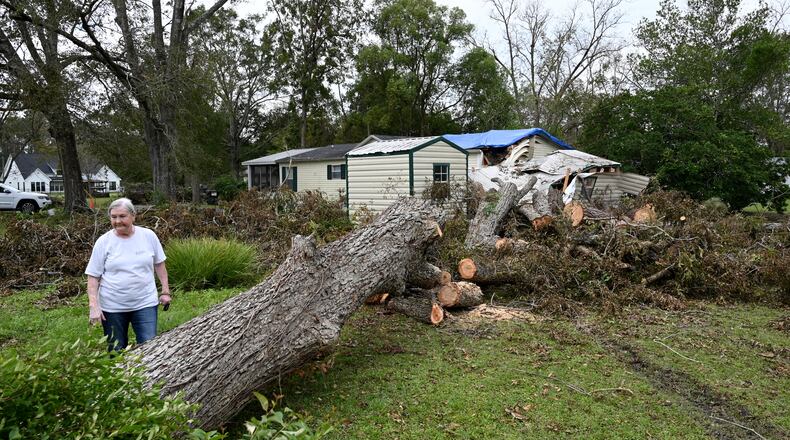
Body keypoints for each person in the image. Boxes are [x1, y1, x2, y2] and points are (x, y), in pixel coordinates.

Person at [85, 197, 171, 351]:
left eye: (122, 216)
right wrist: (94, 305)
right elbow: (93, 277)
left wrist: (165, 291)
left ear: (133, 216)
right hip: (112, 307)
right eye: (113, 217)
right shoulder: (103, 242)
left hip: (145, 303)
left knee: (149, 348)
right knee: (116, 351)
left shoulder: (148, 236)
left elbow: (159, 264)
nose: (118, 221)